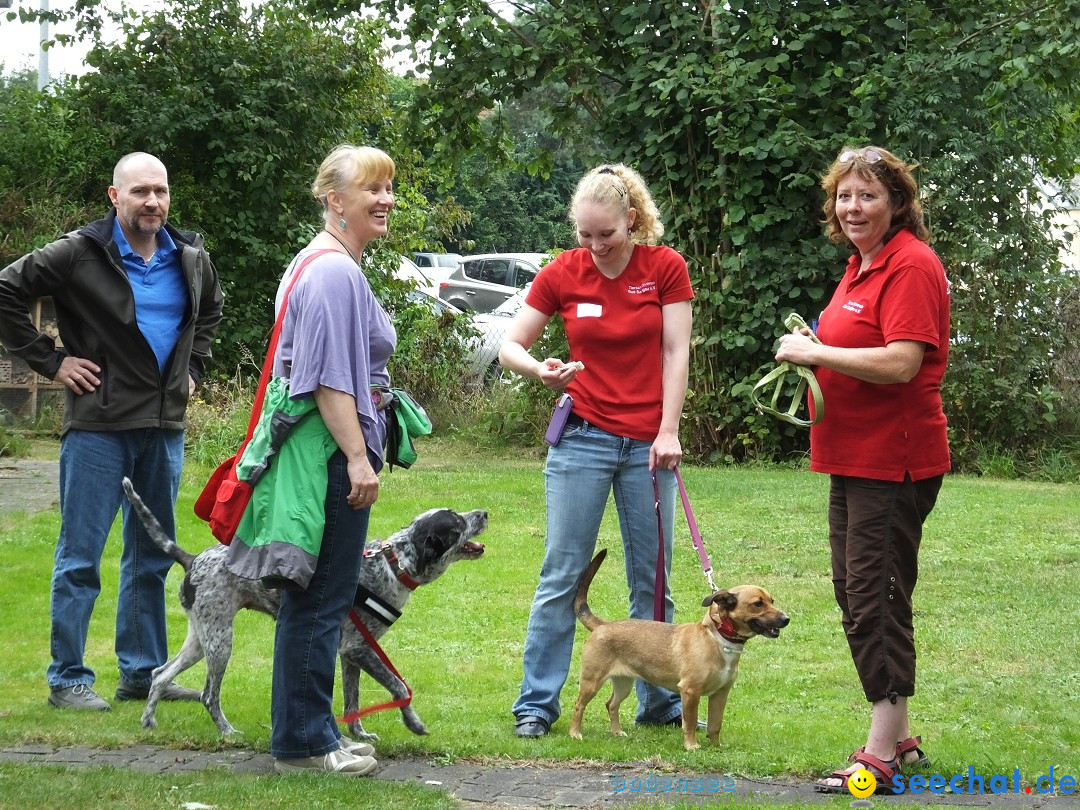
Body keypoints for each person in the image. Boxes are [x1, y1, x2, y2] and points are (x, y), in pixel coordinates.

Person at [0, 152, 224, 711]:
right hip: (99, 425)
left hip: (164, 427)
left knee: (151, 555)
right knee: (81, 557)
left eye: (161, 192)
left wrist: (193, 369)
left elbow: (211, 315)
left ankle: (144, 673)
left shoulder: (190, 257)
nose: (153, 202)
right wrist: (51, 363)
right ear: (114, 195)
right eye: (140, 192)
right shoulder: (79, 253)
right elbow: (5, 290)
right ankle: (68, 678)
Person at [774, 146, 950, 793]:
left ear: (896, 201)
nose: (854, 207)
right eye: (845, 196)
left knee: (871, 599)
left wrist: (818, 351)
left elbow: (903, 362)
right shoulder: (859, 267)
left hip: (893, 460)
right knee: (862, 593)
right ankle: (899, 739)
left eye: (868, 195)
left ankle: (877, 756)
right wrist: (816, 354)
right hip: (850, 457)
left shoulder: (911, 265)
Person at [499, 163, 694, 738]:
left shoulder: (665, 268)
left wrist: (668, 429)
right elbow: (511, 343)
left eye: (606, 234)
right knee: (562, 572)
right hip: (581, 438)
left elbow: (676, 352)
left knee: (651, 578)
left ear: (632, 220)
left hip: (647, 446)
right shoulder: (564, 272)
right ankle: (536, 706)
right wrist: (541, 369)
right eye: (585, 235)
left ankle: (660, 704)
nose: (595, 246)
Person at [227, 145, 397, 776]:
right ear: (335, 200)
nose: (384, 199)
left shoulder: (333, 263)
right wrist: (357, 457)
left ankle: (314, 729)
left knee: (319, 596)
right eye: (371, 189)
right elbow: (327, 381)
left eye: (388, 189)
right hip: (325, 455)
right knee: (321, 597)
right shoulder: (330, 271)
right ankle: (302, 742)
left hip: (325, 451)